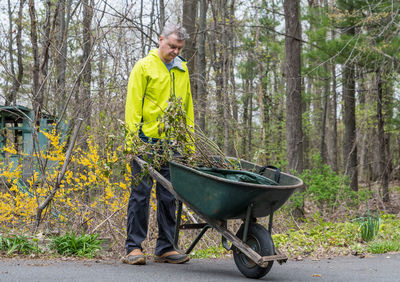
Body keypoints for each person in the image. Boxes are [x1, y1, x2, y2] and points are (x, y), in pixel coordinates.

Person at [123, 23, 194, 265]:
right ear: (161, 40)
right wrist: (131, 143)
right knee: (140, 194)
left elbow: (187, 109)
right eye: (172, 46)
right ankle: (133, 248)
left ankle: (165, 247)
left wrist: (189, 144)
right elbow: (133, 106)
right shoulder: (144, 67)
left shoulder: (182, 69)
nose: (175, 51)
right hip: (145, 140)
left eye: (179, 48)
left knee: (169, 196)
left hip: (172, 142)